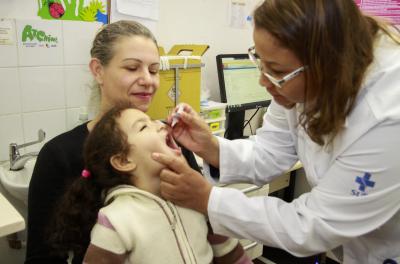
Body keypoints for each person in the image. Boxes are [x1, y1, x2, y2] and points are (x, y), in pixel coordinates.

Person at [152, 1, 400, 263]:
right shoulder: (299, 79)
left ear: (327, 66)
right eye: (260, 61)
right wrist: (212, 148)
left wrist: (207, 199)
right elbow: (271, 151)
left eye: (277, 71)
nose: (264, 81)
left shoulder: (387, 113)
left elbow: (311, 226)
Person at [25, 20, 200, 264]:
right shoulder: (59, 156)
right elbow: (42, 257)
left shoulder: (170, 140)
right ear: (98, 70)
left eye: (153, 70)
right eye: (131, 68)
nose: (148, 80)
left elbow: (204, 219)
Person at [48, 104, 250, 264]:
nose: (161, 124)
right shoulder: (116, 222)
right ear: (123, 161)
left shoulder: (194, 198)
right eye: (144, 126)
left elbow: (232, 255)